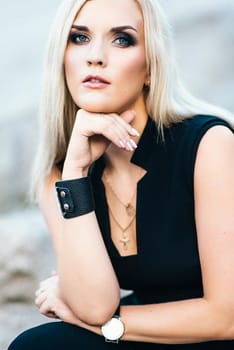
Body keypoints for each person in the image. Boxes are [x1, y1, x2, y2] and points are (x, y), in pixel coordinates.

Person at [8, 0, 234, 349]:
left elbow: (226, 316)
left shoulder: (209, 144)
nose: (95, 56)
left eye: (122, 40)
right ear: (62, 58)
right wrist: (76, 173)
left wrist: (104, 323)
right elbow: (95, 306)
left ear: (150, 68)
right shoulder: (59, 175)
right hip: (146, 327)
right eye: (79, 38)